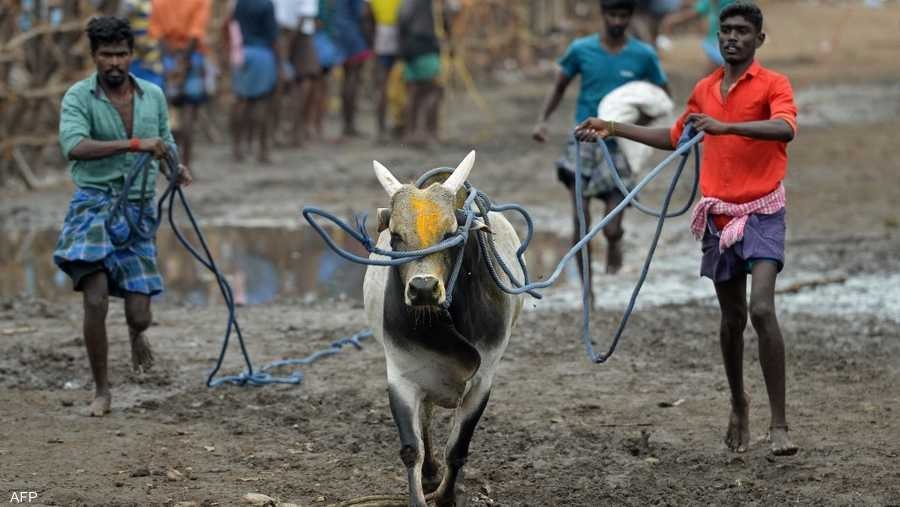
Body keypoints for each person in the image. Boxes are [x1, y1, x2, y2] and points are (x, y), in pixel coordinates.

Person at [575, 2, 799, 456]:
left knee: (760, 309)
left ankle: (780, 425)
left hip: (762, 212)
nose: (731, 38)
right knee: (732, 318)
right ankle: (739, 402)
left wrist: (726, 125)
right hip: (717, 216)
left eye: (741, 31)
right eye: (725, 31)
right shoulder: (704, 90)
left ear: (759, 40)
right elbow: (676, 137)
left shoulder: (774, 84)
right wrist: (613, 126)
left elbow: (784, 129)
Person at [53, 16, 192, 417]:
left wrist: (174, 168)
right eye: (106, 55)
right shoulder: (79, 97)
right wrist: (134, 144)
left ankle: (137, 337)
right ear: (94, 57)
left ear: (131, 55)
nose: (114, 62)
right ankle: (102, 391)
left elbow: (163, 142)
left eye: (121, 54)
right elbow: (74, 147)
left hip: (137, 210)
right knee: (94, 300)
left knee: (141, 314)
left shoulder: (153, 95)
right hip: (94, 204)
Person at [532, 0, 669, 301]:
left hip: (618, 144)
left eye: (623, 15)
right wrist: (543, 121)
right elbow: (559, 86)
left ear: (630, 17)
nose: (617, 21)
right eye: (612, 15)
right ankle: (588, 292)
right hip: (582, 141)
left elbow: (662, 97)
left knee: (612, 222)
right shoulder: (582, 50)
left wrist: (636, 125)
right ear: (603, 15)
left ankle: (615, 241)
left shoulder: (643, 55)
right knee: (580, 220)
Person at [149, 0, 212, 168]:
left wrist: (169, 62)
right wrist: (184, 63)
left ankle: (171, 164)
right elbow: (195, 33)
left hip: (168, 57)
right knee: (190, 113)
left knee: (170, 114)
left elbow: (158, 34)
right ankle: (186, 164)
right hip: (192, 58)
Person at [228, 0, 281, 163]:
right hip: (262, 54)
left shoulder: (239, 3)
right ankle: (263, 151)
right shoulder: (267, 4)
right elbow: (273, 36)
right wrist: (281, 63)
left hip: (242, 53)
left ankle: (238, 148)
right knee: (262, 103)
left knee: (241, 101)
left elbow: (233, 26)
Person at [398, 0, 443, 148]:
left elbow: (402, 21)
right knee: (433, 91)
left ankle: (410, 133)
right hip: (425, 46)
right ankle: (430, 133)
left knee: (413, 93)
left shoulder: (405, 3)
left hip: (409, 49)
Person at [331, 0, 372, 138]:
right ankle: (349, 124)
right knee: (353, 79)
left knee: (347, 78)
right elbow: (362, 13)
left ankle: (347, 124)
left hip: (340, 33)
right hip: (353, 35)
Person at [661, 0, 736, 74]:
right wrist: (673, 20)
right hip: (713, 43)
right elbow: (696, 11)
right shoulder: (708, 3)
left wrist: (674, 20)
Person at [365, 0, 402, 143]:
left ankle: (382, 129)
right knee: (404, 83)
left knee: (382, 85)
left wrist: (371, 41)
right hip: (401, 33)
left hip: (382, 34)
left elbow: (366, 14)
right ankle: (401, 126)